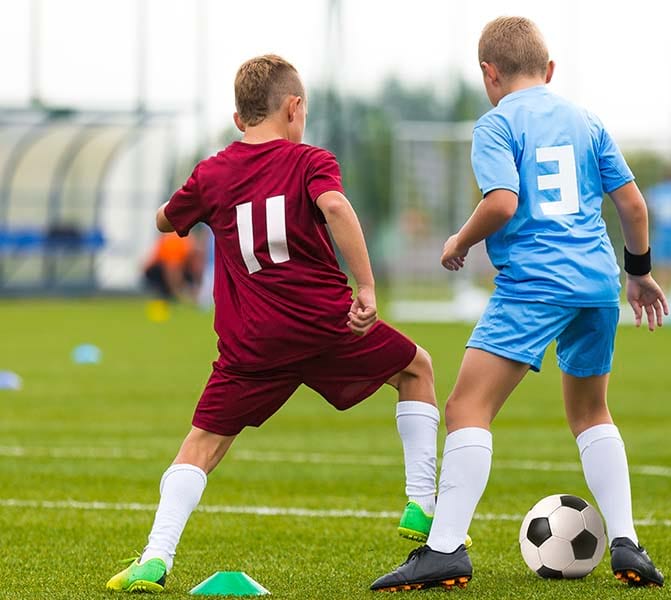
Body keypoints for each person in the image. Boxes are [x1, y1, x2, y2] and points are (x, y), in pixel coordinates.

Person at [107, 54, 442, 593]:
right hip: (324, 323)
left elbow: (166, 220)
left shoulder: (213, 172)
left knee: (201, 444)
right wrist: (367, 286)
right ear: (295, 108)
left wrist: (189, 198)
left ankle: (154, 557)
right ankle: (420, 506)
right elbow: (334, 207)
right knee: (416, 370)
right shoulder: (310, 160)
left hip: (252, 339)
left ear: (239, 119)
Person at [371, 17, 668, 592]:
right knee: (591, 413)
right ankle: (628, 542)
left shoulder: (496, 124)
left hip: (534, 282)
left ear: (489, 73)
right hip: (597, 284)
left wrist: (459, 240)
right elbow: (633, 206)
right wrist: (640, 274)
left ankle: (445, 549)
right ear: (550, 70)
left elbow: (503, 203)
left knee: (466, 408)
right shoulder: (587, 120)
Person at [142, 231, 204, 302]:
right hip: (156, 269)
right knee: (169, 289)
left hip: (171, 268)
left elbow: (196, 270)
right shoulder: (178, 244)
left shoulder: (190, 243)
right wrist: (178, 293)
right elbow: (171, 271)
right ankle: (167, 295)